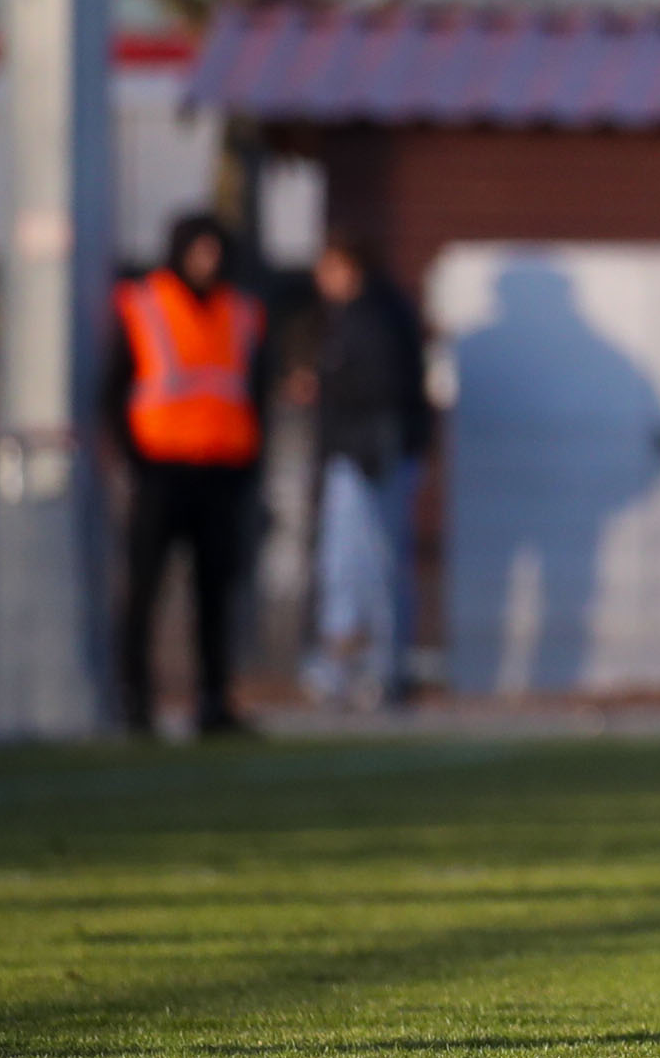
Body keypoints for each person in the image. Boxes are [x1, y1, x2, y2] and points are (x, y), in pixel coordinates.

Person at [102, 212, 269, 739]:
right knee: (145, 592)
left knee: (214, 595)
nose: (208, 262)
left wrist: (249, 466)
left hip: (221, 473)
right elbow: (114, 392)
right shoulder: (145, 304)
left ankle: (214, 700)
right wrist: (137, 461)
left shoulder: (241, 311)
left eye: (214, 251)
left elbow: (252, 394)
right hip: (160, 471)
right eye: (199, 251)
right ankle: (135, 702)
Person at [288, 233, 432, 711]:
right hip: (359, 456)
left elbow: (381, 386)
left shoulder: (372, 316)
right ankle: (352, 668)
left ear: (350, 267)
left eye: (329, 268)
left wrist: (325, 382)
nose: (321, 279)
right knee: (348, 566)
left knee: (364, 566)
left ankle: (371, 670)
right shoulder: (361, 314)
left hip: (370, 459)